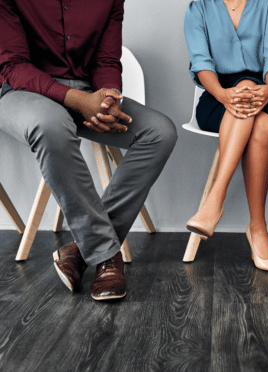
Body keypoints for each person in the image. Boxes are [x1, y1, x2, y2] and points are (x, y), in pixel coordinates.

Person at [0, 0, 177, 301]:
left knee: (159, 133)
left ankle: (80, 252)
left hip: (87, 92)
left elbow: (107, 60)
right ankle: (106, 255)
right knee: (50, 125)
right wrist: (77, 101)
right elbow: (14, 66)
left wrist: (110, 97)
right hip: (22, 92)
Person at [184, 0, 268, 271]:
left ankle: (214, 200)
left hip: (266, 94)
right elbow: (200, 61)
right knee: (262, 126)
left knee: (251, 93)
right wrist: (222, 94)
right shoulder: (199, 8)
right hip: (217, 98)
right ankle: (258, 230)